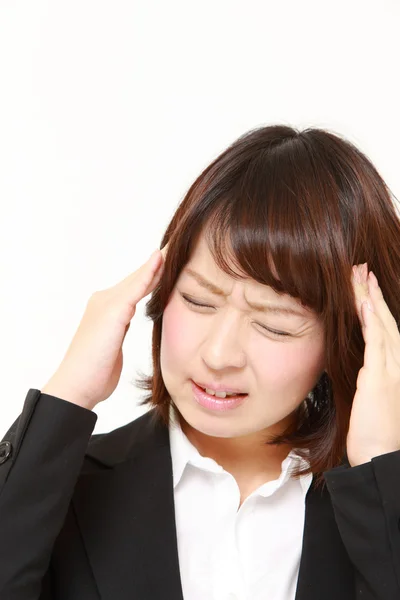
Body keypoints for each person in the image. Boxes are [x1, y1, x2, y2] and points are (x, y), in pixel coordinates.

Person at [1, 124, 400, 600]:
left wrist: (382, 466)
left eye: (273, 324)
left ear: (350, 337)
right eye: (198, 300)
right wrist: (66, 395)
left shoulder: (373, 511)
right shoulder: (63, 489)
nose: (217, 355)